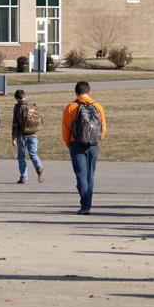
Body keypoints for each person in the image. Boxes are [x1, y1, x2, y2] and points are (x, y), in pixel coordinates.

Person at [62, 81, 107, 215]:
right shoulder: (98, 106)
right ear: (89, 91)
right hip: (93, 144)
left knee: (81, 174)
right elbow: (102, 126)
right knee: (90, 176)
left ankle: (85, 205)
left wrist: (68, 142)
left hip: (76, 144)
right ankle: (88, 203)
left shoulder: (71, 107)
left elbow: (66, 128)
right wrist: (99, 139)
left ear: (76, 92)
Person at [12, 89, 44, 183]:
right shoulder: (32, 106)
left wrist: (14, 137)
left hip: (22, 135)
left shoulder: (18, 107)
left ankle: (23, 177)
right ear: (24, 96)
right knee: (33, 153)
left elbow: (15, 123)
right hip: (33, 134)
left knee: (21, 156)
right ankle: (38, 166)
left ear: (16, 98)